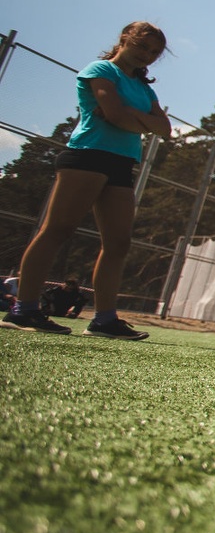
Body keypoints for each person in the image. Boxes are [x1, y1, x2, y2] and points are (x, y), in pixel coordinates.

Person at [3, 22, 170, 340]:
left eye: (153, 53)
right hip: (88, 155)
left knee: (118, 243)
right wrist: (143, 121)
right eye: (142, 46)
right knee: (58, 230)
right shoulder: (101, 70)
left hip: (122, 164)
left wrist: (133, 118)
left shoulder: (145, 88)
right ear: (125, 39)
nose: (146, 55)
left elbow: (165, 129)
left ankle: (104, 320)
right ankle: (23, 310)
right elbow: (114, 115)